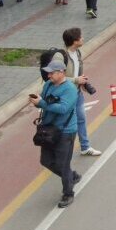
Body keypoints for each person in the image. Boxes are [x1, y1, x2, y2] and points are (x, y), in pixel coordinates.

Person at [30, 60, 80, 208]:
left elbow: (63, 108)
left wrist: (42, 104)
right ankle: (72, 176)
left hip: (65, 131)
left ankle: (68, 192)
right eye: (48, 72)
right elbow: (45, 101)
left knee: (62, 164)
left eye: (52, 72)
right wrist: (37, 101)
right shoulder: (48, 85)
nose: (49, 75)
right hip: (49, 130)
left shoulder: (70, 89)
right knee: (46, 160)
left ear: (61, 72)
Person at [61, 27, 100, 157]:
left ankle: (85, 147)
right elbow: (57, 77)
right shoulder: (61, 56)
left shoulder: (77, 52)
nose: (83, 38)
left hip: (77, 93)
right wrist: (76, 80)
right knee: (66, 124)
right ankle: (61, 150)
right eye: (80, 37)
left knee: (81, 119)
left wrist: (82, 82)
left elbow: (79, 69)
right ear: (74, 40)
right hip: (66, 96)